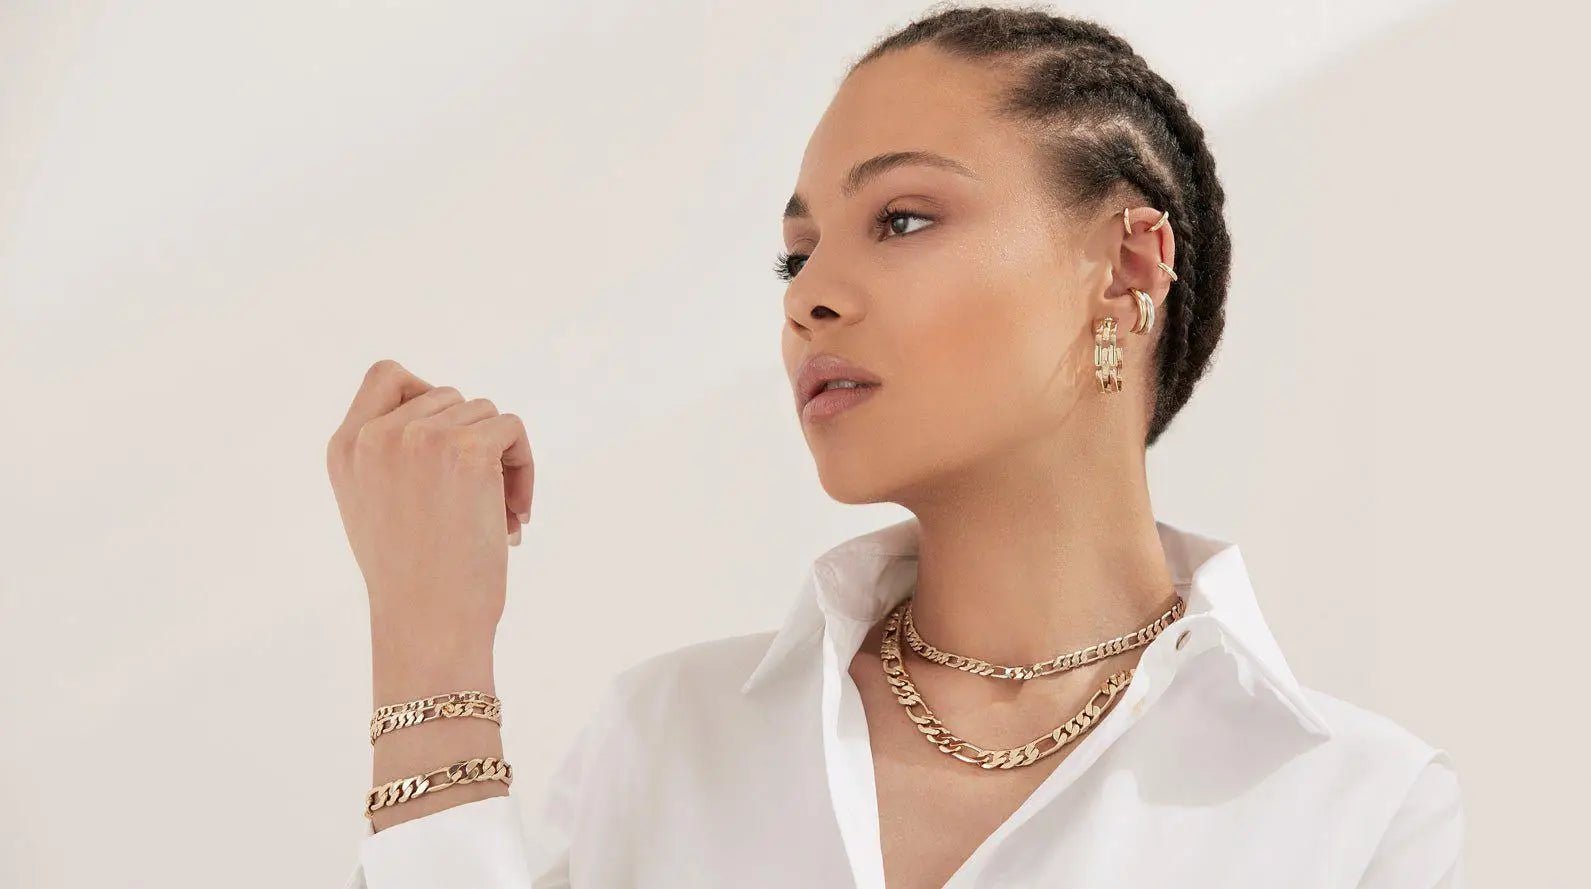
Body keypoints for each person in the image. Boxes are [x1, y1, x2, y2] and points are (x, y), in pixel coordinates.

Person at [327, 6, 1464, 887]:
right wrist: (431, 655)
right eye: (794, 256)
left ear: (1126, 268)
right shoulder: (667, 740)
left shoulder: (1349, 809)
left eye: (903, 219)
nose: (810, 297)